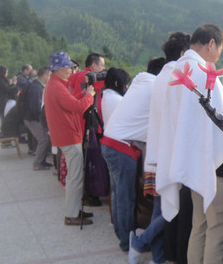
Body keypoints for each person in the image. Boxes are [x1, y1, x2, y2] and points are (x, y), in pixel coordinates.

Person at [149, 24, 223, 264]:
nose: (218, 56)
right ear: (211, 44)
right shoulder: (200, 71)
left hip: (192, 162)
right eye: (219, 49)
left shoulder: (177, 69)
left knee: (199, 226)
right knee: (218, 230)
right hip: (214, 166)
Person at [99, 59, 161, 253]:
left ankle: (122, 234)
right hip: (121, 149)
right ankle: (127, 242)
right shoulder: (155, 90)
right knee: (126, 198)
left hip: (109, 143)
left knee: (118, 194)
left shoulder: (139, 84)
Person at [146, 31, 193, 264]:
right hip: (175, 155)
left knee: (164, 207)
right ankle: (160, 254)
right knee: (172, 212)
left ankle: (159, 255)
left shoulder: (162, 75)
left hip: (161, 152)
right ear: (185, 53)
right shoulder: (177, 76)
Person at [44, 51, 96, 226]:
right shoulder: (57, 87)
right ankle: (72, 214)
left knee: (74, 175)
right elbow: (78, 107)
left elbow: (68, 102)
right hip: (68, 136)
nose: (70, 70)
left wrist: (82, 93)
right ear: (58, 69)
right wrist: (89, 95)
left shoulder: (54, 85)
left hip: (64, 135)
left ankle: (74, 210)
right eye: (68, 67)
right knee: (75, 177)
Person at [67, 52, 107, 206]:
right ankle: (88, 194)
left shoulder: (76, 76)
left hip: (78, 122)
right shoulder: (87, 78)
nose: (103, 69)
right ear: (94, 65)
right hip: (86, 124)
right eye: (102, 65)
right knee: (88, 161)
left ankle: (85, 193)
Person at [22, 67, 53, 170]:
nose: (50, 78)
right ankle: (37, 164)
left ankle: (42, 161)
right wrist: (41, 118)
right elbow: (34, 106)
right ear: (45, 75)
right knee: (43, 140)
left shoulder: (36, 85)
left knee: (44, 139)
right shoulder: (36, 88)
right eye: (49, 75)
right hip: (32, 118)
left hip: (32, 117)